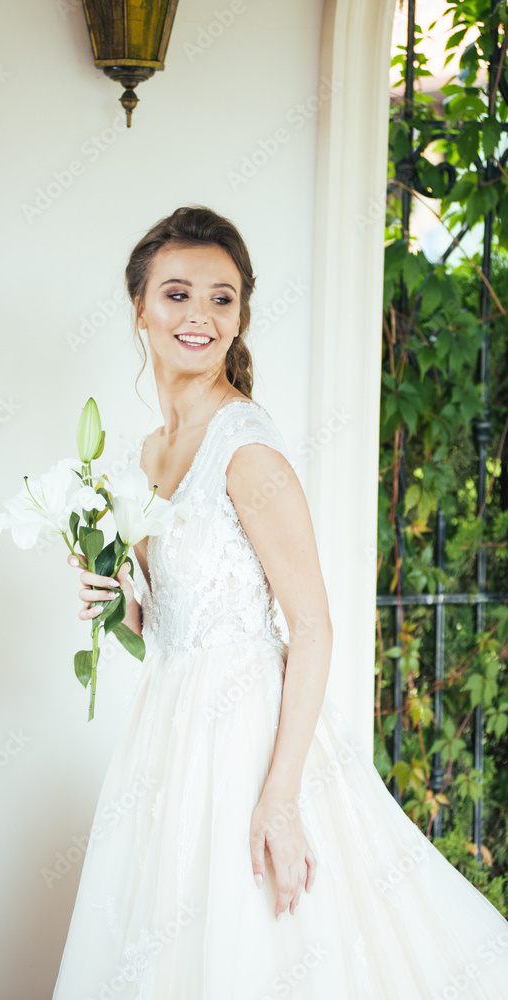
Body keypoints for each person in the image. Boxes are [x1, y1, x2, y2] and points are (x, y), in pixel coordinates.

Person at [51, 205, 508, 999]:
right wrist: (111, 592)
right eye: (177, 294)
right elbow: (164, 622)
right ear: (140, 307)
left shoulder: (246, 448)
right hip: (168, 735)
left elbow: (313, 626)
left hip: (247, 736)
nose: (198, 315)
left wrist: (281, 798)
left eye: (220, 298)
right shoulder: (145, 455)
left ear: (240, 317)